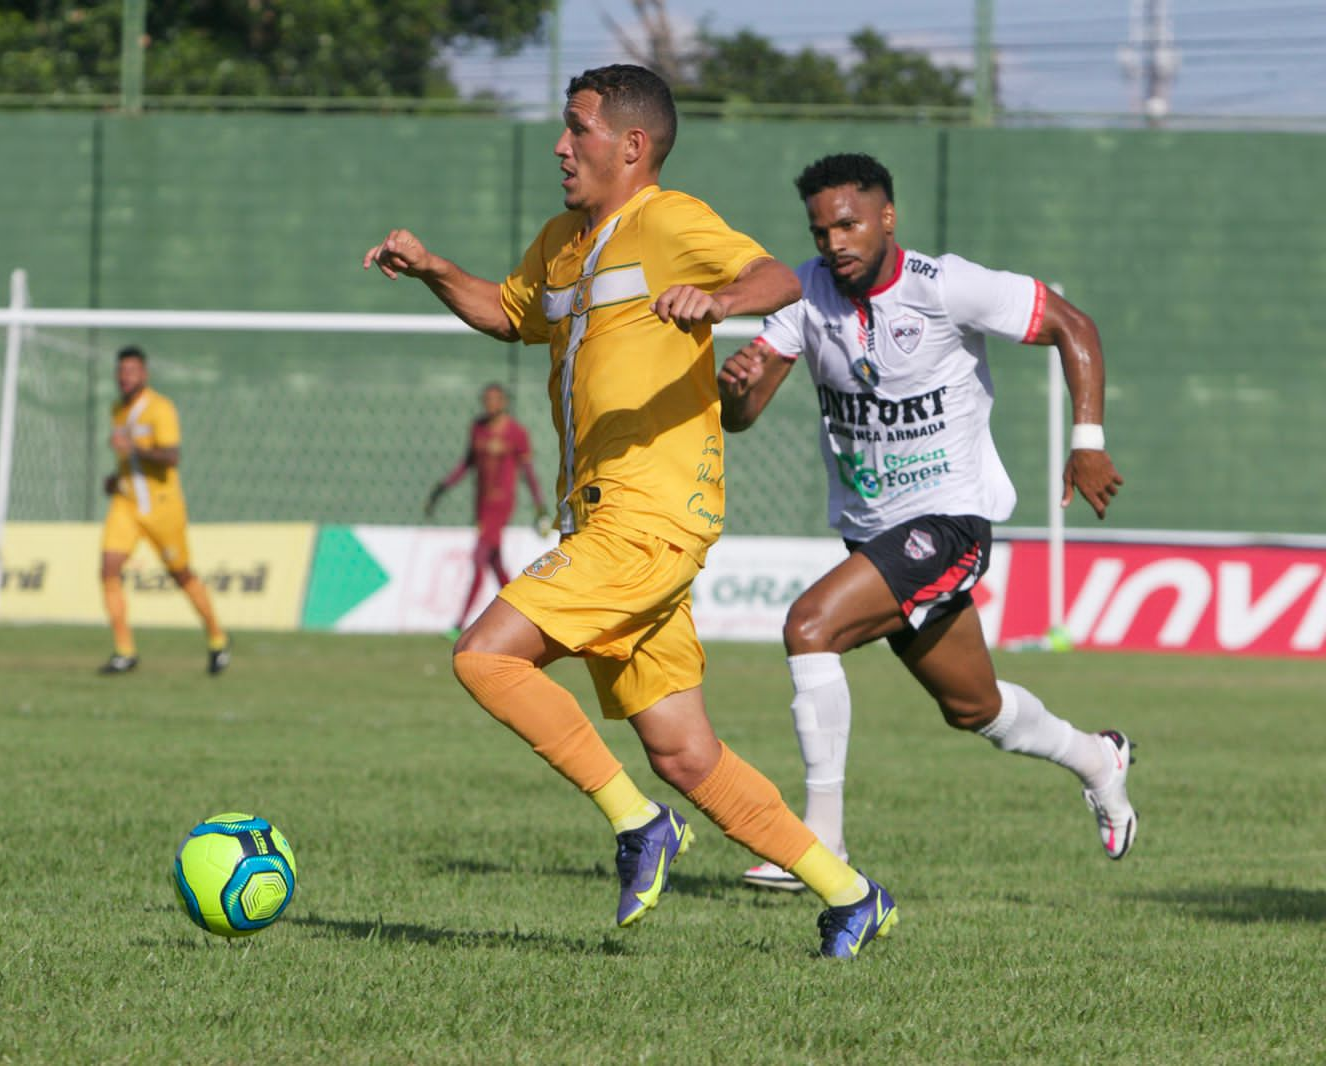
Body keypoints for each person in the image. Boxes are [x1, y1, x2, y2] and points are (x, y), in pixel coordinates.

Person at [364, 66, 897, 959]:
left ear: (632, 146)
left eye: (578, 130)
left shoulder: (669, 219)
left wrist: (719, 301)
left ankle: (638, 825)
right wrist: (430, 269)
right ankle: (852, 895)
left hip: (648, 520)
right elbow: (507, 312)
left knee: (484, 656)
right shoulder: (562, 242)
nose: (562, 147)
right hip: (603, 523)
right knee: (687, 754)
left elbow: (776, 277)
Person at [716, 153, 1135, 893]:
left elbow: (1074, 324)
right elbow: (742, 419)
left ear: (886, 217)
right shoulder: (804, 297)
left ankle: (821, 845)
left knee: (809, 626)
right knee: (974, 707)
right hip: (870, 531)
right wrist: (735, 391)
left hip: (948, 520)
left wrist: (1088, 443)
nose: (834, 242)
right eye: (820, 231)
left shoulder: (947, 287)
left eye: (847, 223)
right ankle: (1098, 759)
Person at [99, 345, 232, 677]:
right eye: (121, 371)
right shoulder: (117, 409)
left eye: (132, 371)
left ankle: (217, 639)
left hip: (162, 508)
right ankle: (124, 651)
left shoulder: (160, 409)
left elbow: (171, 457)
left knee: (181, 574)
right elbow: (127, 456)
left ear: (144, 374)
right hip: (127, 504)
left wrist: (134, 448)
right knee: (108, 569)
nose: (125, 377)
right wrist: (116, 479)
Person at [425, 383, 549, 638]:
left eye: (495, 399)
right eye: (487, 399)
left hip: (501, 503)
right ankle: (524, 615)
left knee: (479, 558)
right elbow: (467, 463)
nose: (490, 404)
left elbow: (528, 472)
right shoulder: (477, 428)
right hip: (481, 505)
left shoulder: (516, 433)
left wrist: (540, 506)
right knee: (495, 563)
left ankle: (460, 624)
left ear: (504, 402)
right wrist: (442, 488)